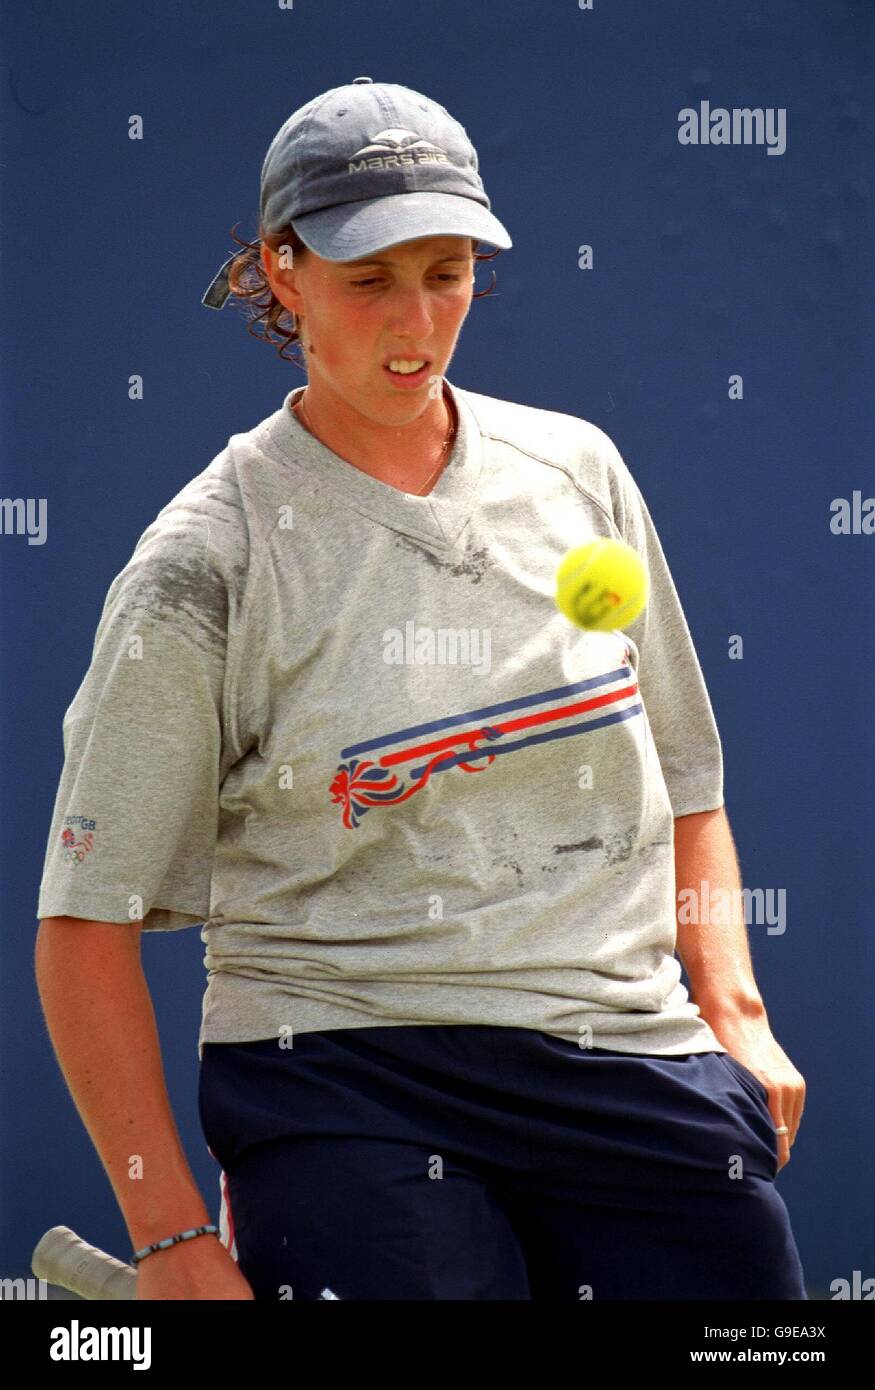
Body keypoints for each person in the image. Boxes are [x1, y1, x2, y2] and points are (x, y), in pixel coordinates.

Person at [35, 77, 807, 1301]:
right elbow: (85, 928)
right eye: (367, 280)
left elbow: (687, 784)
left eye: (445, 273)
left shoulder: (577, 472)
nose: (416, 322)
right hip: (342, 1072)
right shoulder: (200, 562)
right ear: (281, 275)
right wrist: (174, 1239)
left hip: (621, 1051)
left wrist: (734, 1007)